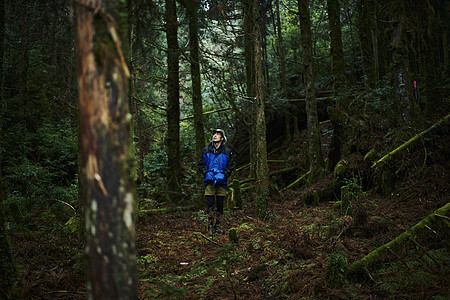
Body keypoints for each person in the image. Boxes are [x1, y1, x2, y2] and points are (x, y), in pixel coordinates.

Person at [198, 129, 235, 233]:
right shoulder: (205, 150)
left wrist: (224, 175)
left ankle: (218, 227)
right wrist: (206, 173)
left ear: (222, 138)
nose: (215, 136)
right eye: (214, 134)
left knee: (220, 205)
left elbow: (231, 166)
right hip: (209, 182)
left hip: (221, 183)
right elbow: (200, 164)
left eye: (218, 134)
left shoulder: (227, 152)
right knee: (210, 204)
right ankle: (210, 226)